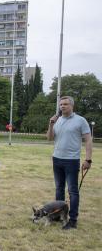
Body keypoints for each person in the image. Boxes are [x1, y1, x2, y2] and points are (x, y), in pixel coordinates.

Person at [46, 96, 92, 230]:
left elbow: (88, 140)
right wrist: (51, 124)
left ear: (72, 106)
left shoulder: (80, 120)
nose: (62, 106)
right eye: (61, 104)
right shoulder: (57, 120)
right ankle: (58, 215)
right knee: (59, 189)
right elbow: (49, 138)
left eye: (65, 104)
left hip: (72, 160)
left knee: (72, 191)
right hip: (57, 158)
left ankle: (72, 220)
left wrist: (88, 159)